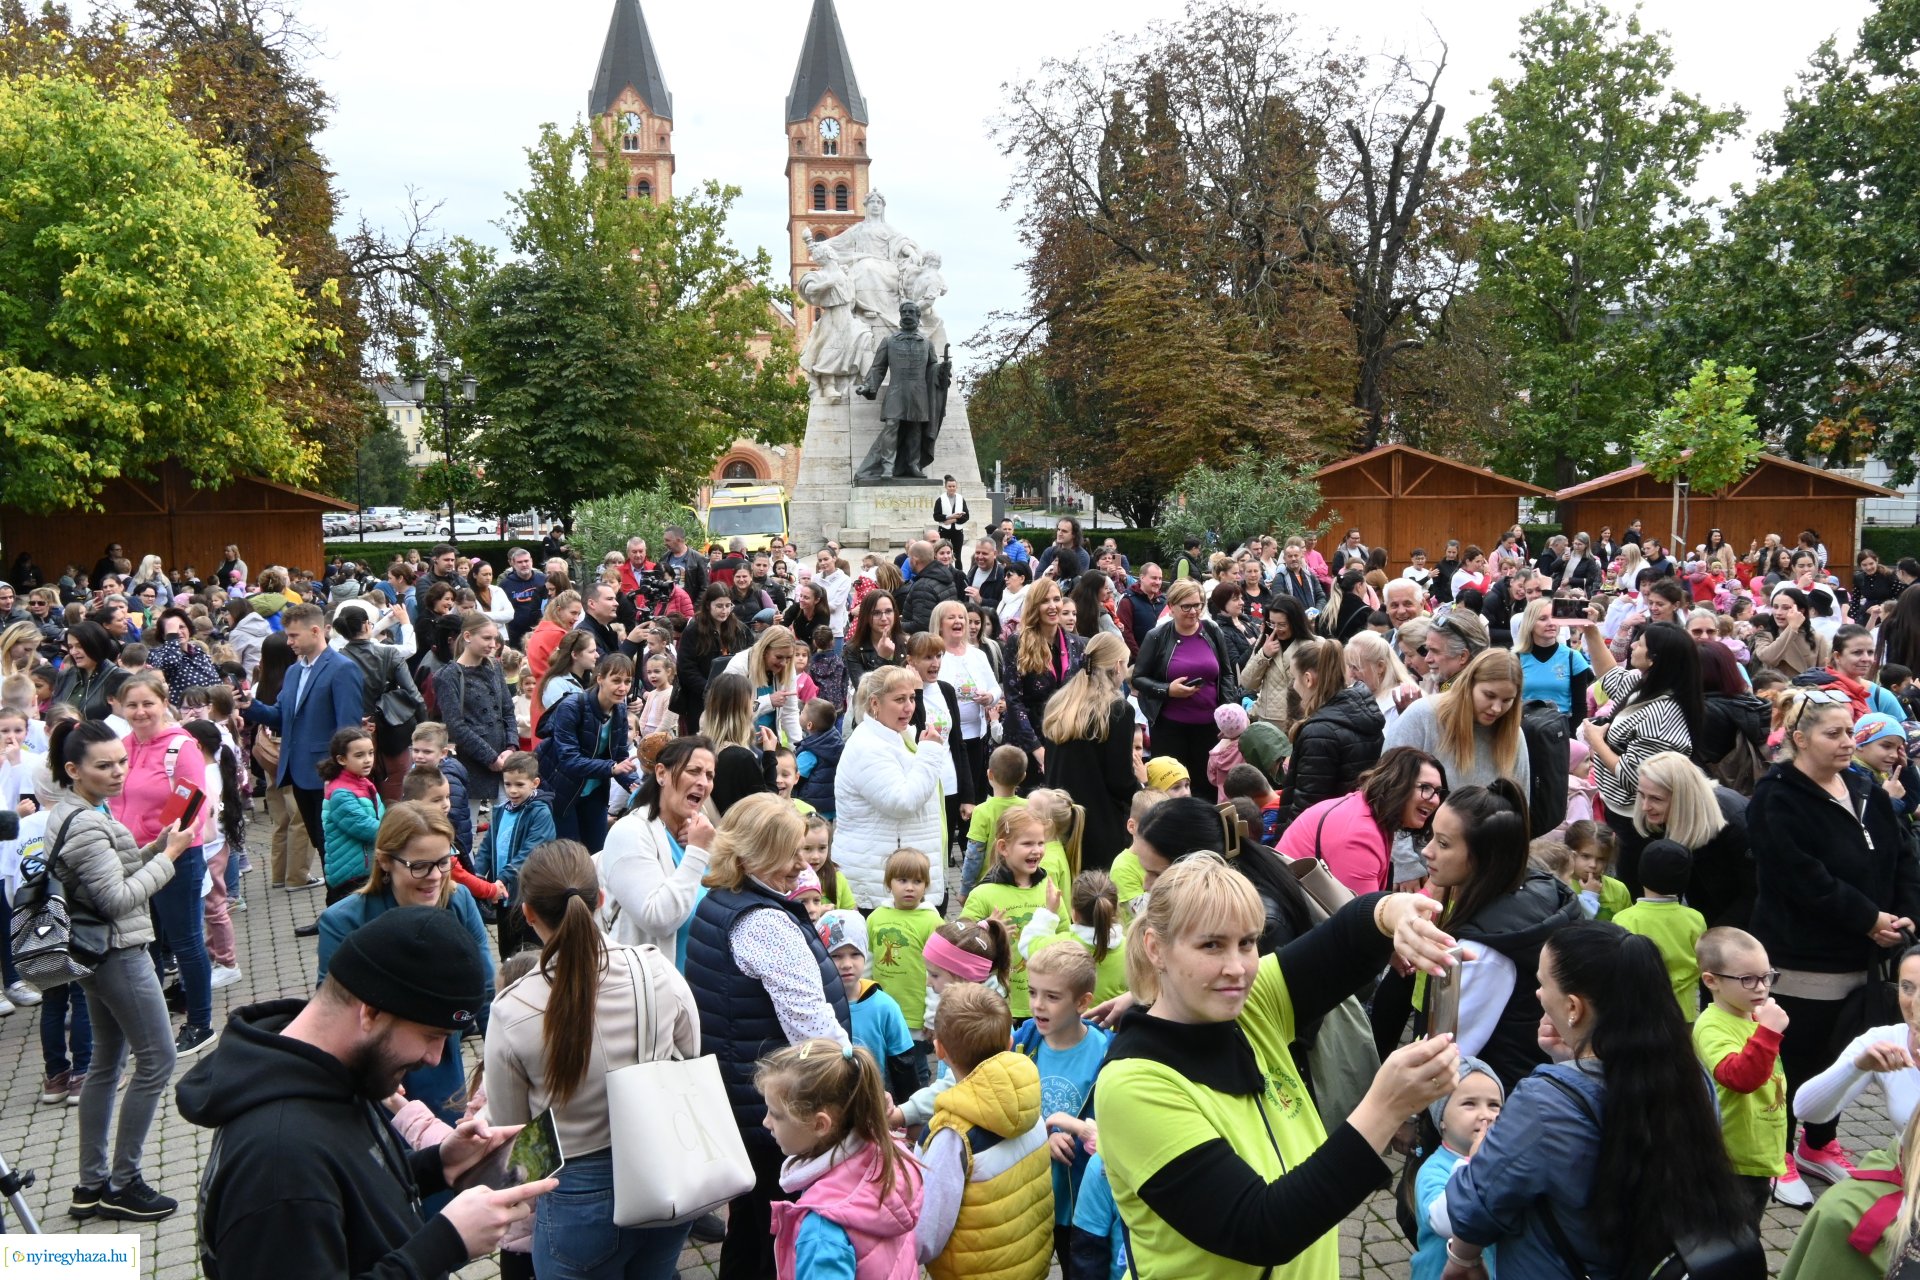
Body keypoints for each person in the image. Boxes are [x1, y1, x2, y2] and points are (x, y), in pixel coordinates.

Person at [1096, 852, 1462, 1279]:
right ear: (1156, 948)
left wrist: (1394, 912)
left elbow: (1346, 940)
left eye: (1247, 942)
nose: (1237, 968)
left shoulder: (1250, 1006)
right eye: (1211, 944)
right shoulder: (1134, 1083)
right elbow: (1261, 1228)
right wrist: (1386, 1106)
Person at [180, 905, 551, 1279]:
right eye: (431, 1035)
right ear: (371, 1013)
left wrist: (437, 1164)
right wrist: (445, 1242)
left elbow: (343, 1184)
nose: (435, 1058)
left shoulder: (333, 1074)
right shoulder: (277, 1164)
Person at [1430, 921, 1757, 1279]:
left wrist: (1463, 1253)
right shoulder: (1690, 1077)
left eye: (1542, 984)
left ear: (1574, 1006)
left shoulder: (1542, 1102)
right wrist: (1567, 1059)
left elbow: (1469, 1207)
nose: (1538, 994)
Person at [487, 840, 702, 1279]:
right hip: (665, 1169)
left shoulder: (511, 1009)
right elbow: (692, 1055)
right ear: (600, 897)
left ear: (528, 914)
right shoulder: (656, 970)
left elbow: (509, 1128)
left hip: (575, 1190)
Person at [1748, 687, 1920, 1201]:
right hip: (1803, 956)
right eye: (1835, 733)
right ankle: (1776, 1151)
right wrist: (1867, 917)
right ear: (1799, 739)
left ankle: (1819, 1143)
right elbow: (1800, 876)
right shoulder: (1775, 798)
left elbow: (1904, 851)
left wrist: (1907, 915)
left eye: (1850, 731)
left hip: (1866, 958)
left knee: (1842, 1057)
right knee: (1796, 1057)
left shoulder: (1863, 786)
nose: (1848, 742)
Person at [684, 793, 853, 1280]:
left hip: (741, 1097)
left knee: (752, 1226)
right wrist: (857, 1073)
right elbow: (812, 1026)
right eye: (790, 854)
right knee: (776, 1233)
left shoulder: (721, 900)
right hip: (775, 1109)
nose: (802, 865)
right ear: (751, 855)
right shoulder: (765, 922)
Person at [44, 718, 194, 1222]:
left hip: (98, 955)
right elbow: (115, 899)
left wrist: (154, 848)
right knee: (158, 1061)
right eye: (103, 765)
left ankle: (90, 1186)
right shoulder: (85, 821)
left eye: (121, 762)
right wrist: (170, 856)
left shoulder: (79, 811)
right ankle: (124, 1183)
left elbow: (109, 876)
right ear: (73, 769)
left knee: (107, 1066)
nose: (117, 772)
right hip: (117, 953)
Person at [317, 802, 495, 1124]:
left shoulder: (458, 901)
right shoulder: (342, 922)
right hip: (374, 1069)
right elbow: (333, 1010)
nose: (436, 877)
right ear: (385, 861)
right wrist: (374, 1071)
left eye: (444, 862)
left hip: (438, 1066)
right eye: (420, 866)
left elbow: (484, 988)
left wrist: (497, 1061)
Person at [1422, 779, 1581, 1090]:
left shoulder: (1484, 950)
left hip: (1493, 1105)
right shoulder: (1538, 890)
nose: (1427, 851)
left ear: (1485, 856)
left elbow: (1449, 1050)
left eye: (1443, 843)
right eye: (1431, 837)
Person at [912, 982, 1053, 1280]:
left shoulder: (952, 1135)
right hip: (1031, 1264)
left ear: (939, 1050)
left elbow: (925, 1236)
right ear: (1009, 1042)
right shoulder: (1027, 1096)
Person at [756, 1036, 923, 1280]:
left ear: (820, 1124)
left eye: (775, 1114)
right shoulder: (886, 1156)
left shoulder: (821, 1234)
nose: (765, 1122)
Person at [239, 602, 366, 853]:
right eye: (288, 636)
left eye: (294, 635)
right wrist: (249, 705)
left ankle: (339, 893)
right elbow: (280, 716)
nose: (289, 642)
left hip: (328, 776)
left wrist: (342, 776)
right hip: (298, 773)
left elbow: (348, 731)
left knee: (335, 847)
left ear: (316, 631)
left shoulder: (343, 668)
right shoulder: (294, 671)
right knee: (321, 845)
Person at [1580, 619, 1702, 863]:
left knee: (1634, 881)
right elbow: (1610, 675)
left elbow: (1635, 777)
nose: (1633, 645)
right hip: (1619, 811)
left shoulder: (1663, 715)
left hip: (1638, 821)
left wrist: (1597, 742)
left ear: (1654, 659)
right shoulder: (1645, 684)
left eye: (1641, 643)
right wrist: (1590, 631)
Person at [1692, 925, 1791, 1223]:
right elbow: (1738, 1077)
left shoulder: (1752, 1016)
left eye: (1766, 976)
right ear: (1711, 980)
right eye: (1748, 979)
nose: (1761, 987)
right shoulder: (1711, 1026)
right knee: (1734, 1238)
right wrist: (1769, 1032)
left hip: (1759, 1155)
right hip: (1732, 1161)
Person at [835, 667, 947, 909]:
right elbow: (903, 801)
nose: (909, 707)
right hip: (877, 888)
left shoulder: (895, 736)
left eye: (912, 698)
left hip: (898, 880)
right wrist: (929, 753)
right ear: (875, 703)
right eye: (899, 699)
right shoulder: (868, 746)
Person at [1277, 747, 1445, 896]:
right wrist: (1436, 886)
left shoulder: (1363, 809)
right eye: (1426, 788)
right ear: (1396, 784)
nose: (1435, 800)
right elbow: (1363, 924)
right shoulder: (1360, 835)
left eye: (1438, 791)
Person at [1133, 577, 1242, 802]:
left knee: (1207, 786)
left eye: (1198, 605)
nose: (1193, 612)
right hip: (1170, 728)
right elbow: (1139, 678)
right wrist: (1167, 690)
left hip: (1209, 727)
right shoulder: (1157, 637)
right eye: (1186, 606)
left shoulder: (1211, 630)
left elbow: (1227, 673)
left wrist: (1226, 711)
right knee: (1170, 791)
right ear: (1171, 607)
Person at [1041, 632, 1141, 872]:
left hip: (1059, 817)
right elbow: (1119, 779)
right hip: (1099, 822)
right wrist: (1143, 793)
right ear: (1117, 666)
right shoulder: (1117, 710)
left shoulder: (1060, 703)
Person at [1384, 648, 1530, 799]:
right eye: (1489, 695)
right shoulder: (1423, 715)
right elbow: (1387, 785)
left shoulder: (1514, 736)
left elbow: (1520, 803)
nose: (1496, 708)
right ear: (1470, 684)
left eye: (1507, 700)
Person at [1274, 637, 1385, 831]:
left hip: (1321, 837)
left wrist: (1285, 846)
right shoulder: (1365, 714)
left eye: (1294, 677)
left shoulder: (1319, 733)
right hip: (1354, 827)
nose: (1293, 685)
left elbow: (1306, 804)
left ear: (1308, 679)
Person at [1410, 1057, 1505, 1280]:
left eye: (1494, 1105)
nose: (1486, 1115)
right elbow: (1446, 1223)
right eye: (1469, 1104)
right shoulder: (1433, 1169)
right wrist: (1473, 1165)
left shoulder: (1502, 1165)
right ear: (1441, 1118)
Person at [534, 652, 637, 853]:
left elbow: (620, 756)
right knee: (570, 856)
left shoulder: (621, 711)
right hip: (562, 791)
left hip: (595, 793)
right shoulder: (572, 707)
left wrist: (634, 785)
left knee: (597, 853)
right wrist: (612, 767)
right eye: (616, 680)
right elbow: (569, 760)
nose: (623, 687)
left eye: (628, 681)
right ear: (600, 679)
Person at [432, 613, 516, 806]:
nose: (493, 644)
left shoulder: (494, 666)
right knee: (466, 824)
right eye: (487, 638)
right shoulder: (447, 675)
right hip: (471, 760)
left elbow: (507, 711)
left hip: (504, 757)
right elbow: (455, 725)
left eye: (495, 638)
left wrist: (511, 747)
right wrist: (490, 757)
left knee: (507, 824)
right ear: (468, 636)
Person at [50, 620, 128, 721]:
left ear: (96, 644)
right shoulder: (64, 676)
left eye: (79, 646)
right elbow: (54, 712)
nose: (73, 652)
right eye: (70, 647)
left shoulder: (121, 679)